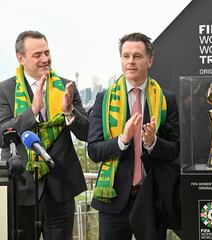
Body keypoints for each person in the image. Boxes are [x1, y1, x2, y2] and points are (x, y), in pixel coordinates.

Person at [87, 32, 180, 240]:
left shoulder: (166, 99)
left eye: (137, 56)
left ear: (150, 60)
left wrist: (152, 142)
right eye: (126, 56)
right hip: (113, 198)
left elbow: (175, 149)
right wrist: (123, 140)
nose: (130, 62)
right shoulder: (104, 99)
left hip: (152, 197)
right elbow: (93, 150)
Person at [0, 30, 89, 240]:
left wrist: (69, 112)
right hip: (21, 188)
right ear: (20, 58)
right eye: (37, 54)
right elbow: (1, 134)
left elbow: (87, 133)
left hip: (60, 190)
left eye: (47, 53)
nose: (45, 59)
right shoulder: (4, 90)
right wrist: (32, 111)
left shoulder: (66, 86)